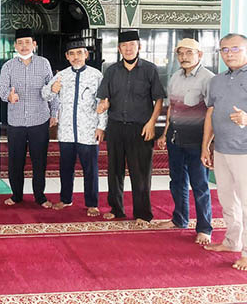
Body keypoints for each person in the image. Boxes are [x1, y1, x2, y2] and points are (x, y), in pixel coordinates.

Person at [96, 30, 165, 224]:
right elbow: (104, 98)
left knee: (141, 172)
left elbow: (159, 99)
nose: (128, 49)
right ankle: (116, 209)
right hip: (116, 127)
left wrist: (151, 123)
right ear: (119, 49)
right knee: (114, 171)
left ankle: (143, 213)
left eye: (132, 45)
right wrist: (103, 105)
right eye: (124, 46)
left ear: (139, 47)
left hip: (141, 128)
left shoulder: (149, 69)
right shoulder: (111, 70)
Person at [156, 38, 213, 244]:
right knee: (177, 181)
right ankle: (179, 219)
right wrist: (164, 134)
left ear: (200, 55)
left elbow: (212, 113)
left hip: (196, 142)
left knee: (199, 185)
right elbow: (172, 108)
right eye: (180, 53)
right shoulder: (175, 77)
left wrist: (207, 145)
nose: (184, 57)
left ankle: (204, 228)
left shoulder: (208, 79)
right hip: (175, 139)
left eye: (189, 53)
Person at [43, 38, 106, 217]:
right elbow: (45, 95)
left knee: (90, 169)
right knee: (66, 167)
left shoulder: (96, 75)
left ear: (86, 54)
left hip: (88, 130)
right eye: (72, 54)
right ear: (67, 56)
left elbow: (103, 103)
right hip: (67, 131)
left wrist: (101, 126)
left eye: (79, 53)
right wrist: (53, 89)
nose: (76, 57)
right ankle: (65, 199)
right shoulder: (61, 75)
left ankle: (92, 203)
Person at [0, 28, 59, 208]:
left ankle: (40, 196)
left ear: (34, 44)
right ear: (15, 45)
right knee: (15, 161)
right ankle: (16, 195)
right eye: (20, 43)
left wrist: (54, 113)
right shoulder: (8, 66)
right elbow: (2, 89)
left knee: (39, 161)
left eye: (27, 42)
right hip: (16, 121)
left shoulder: (43, 63)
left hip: (39, 119)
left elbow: (52, 89)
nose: (24, 46)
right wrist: (8, 96)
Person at [202, 33, 247, 271]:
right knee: (227, 199)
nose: (229, 54)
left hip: (244, 151)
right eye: (225, 50)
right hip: (221, 149)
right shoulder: (217, 80)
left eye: (235, 49)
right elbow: (211, 113)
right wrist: (206, 145)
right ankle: (232, 241)